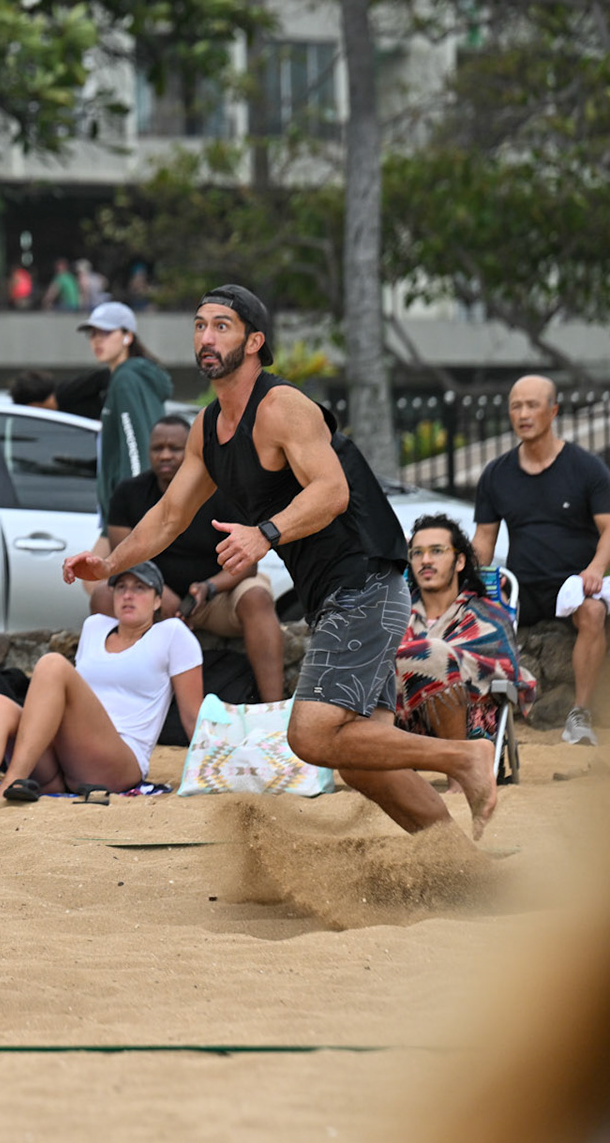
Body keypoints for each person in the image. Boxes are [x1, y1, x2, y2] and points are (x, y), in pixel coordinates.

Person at [65, 283, 500, 838]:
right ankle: (453, 861)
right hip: (335, 594)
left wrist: (264, 534)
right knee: (355, 759)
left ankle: (465, 758)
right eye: (200, 325)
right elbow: (170, 514)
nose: (206, 337)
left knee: (311, 737)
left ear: (254, 342)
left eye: (222, 326)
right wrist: (109, 564)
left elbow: (332, 491)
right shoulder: (206, 428)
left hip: (364, 579)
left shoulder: (282, 407)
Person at [0, 562, 202, 805]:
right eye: (121, 587)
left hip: (120, 761)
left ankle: (11, 780)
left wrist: (208, 774)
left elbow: (192, 716)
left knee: (52, 665)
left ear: (158, 600)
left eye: (139, 588)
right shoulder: (95, 627)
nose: (128, 595)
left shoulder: (172, 634)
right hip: (65, 764)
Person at [96, 414, 285, 701]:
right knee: (101, 596)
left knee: (257, 596)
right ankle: (113, 699)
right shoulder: (128, 493)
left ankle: (275, 708)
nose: (165, 455)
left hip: (215, 595)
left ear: (192, 450)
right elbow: (124, 558)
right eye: (158, 448)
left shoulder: (224, 491)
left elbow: (246, 565)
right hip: (156, 598)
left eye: (175, 448)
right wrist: (160, 593)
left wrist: (207, 588)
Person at [472, 374, 610, 745]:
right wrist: (467, 587)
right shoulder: (496, 474)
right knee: (469, 621)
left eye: (532, 405)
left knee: (594, 613)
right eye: (516, 406)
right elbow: (484, 540)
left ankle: (580, 714)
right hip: (521, 590)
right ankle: (478, 721)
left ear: (553, 411)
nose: (523, 413)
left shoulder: (586, 467)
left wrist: (595, 570)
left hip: (571, 587)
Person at [397, 514, 536, 744]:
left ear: (460, 561)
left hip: (468, 719)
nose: (426, 560)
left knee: (436, 655)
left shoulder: (488, 617)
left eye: (437, 551)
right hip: (401, 721)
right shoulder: (396, 616)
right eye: (417, 553)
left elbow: (505, 669)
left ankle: (460, 774)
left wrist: (434, 660)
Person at [84, 301, 172, 516]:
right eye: (93, 333)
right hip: (127, 511)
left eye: (105, 332)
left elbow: (135, 446)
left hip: (128, 514)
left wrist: (131, 507)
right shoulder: (131, 376)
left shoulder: (125, 379)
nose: (97, 339)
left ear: (128, 336)